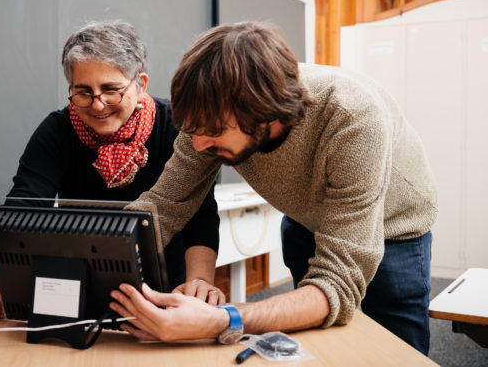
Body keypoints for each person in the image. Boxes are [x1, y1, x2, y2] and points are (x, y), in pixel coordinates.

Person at [110, 21, 437, 355]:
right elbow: (164, 204)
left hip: (394, 227)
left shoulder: (352, 118)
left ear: (264, 112)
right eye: (192, 129)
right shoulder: (209, 113)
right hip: (306, 219)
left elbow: (335, 286)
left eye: (212, 130)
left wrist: (220, 320)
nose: (197, 144)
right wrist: (98, 255)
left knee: (397, 349)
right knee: (317, 343)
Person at [0, 20, 224, 324]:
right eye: (83, 92)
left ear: (141, 84)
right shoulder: (57, 131)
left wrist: (199, 283)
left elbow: (199, 210)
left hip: (164, 290)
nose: (98, 105)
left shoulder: (174, 127)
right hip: (77, 288)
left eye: (111, 90)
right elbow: (21, 208)